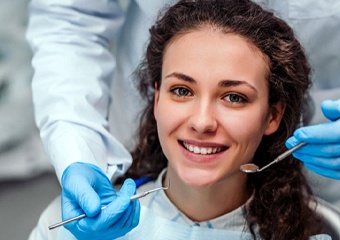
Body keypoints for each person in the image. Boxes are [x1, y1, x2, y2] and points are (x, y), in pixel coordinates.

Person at [26, 0, 340, 238]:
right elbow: (69, 20)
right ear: (156, 97)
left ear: (273, 114)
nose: (202, 121)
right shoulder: (64, 229)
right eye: (181, 90)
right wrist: (78, 150)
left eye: (234, 97)